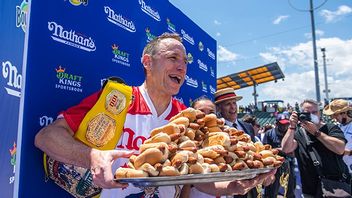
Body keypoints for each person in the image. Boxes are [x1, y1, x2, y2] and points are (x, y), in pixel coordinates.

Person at [35, 33, 275, 198]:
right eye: (173, 58)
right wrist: (93, 156)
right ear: (148, 62)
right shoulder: (116, 98)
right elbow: (46, 137)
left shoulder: (188, 117)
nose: (182, 67)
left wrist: (232, 185)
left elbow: (199, 177)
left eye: (185, 61)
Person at [281, 99, 351, 197]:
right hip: (310, 190)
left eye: (314, 112)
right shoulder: (299, 133)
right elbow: (286, 149)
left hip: (336, 188)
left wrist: (316, 133)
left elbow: (339, 149)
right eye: (307, 113)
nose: (311, 115)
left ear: (319, 113)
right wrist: (292, 126)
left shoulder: (331, 128)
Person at [262, 113, 296, 198]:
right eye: (282, 124)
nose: (285, 126)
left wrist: (280, 150)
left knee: (290, 190)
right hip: (274, 167)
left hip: (289, 164)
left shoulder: (291, 132)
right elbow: (265, 150)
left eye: (286, 124)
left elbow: (295, 149)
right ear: (276, 123)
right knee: (271, 192)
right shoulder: (269, 133)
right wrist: (281, 150)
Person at [323, 99, 352, 173]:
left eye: (335, 114)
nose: (333, 117)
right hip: (341, 170)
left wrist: (349, 152)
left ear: (344, 113)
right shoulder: (337, 126)